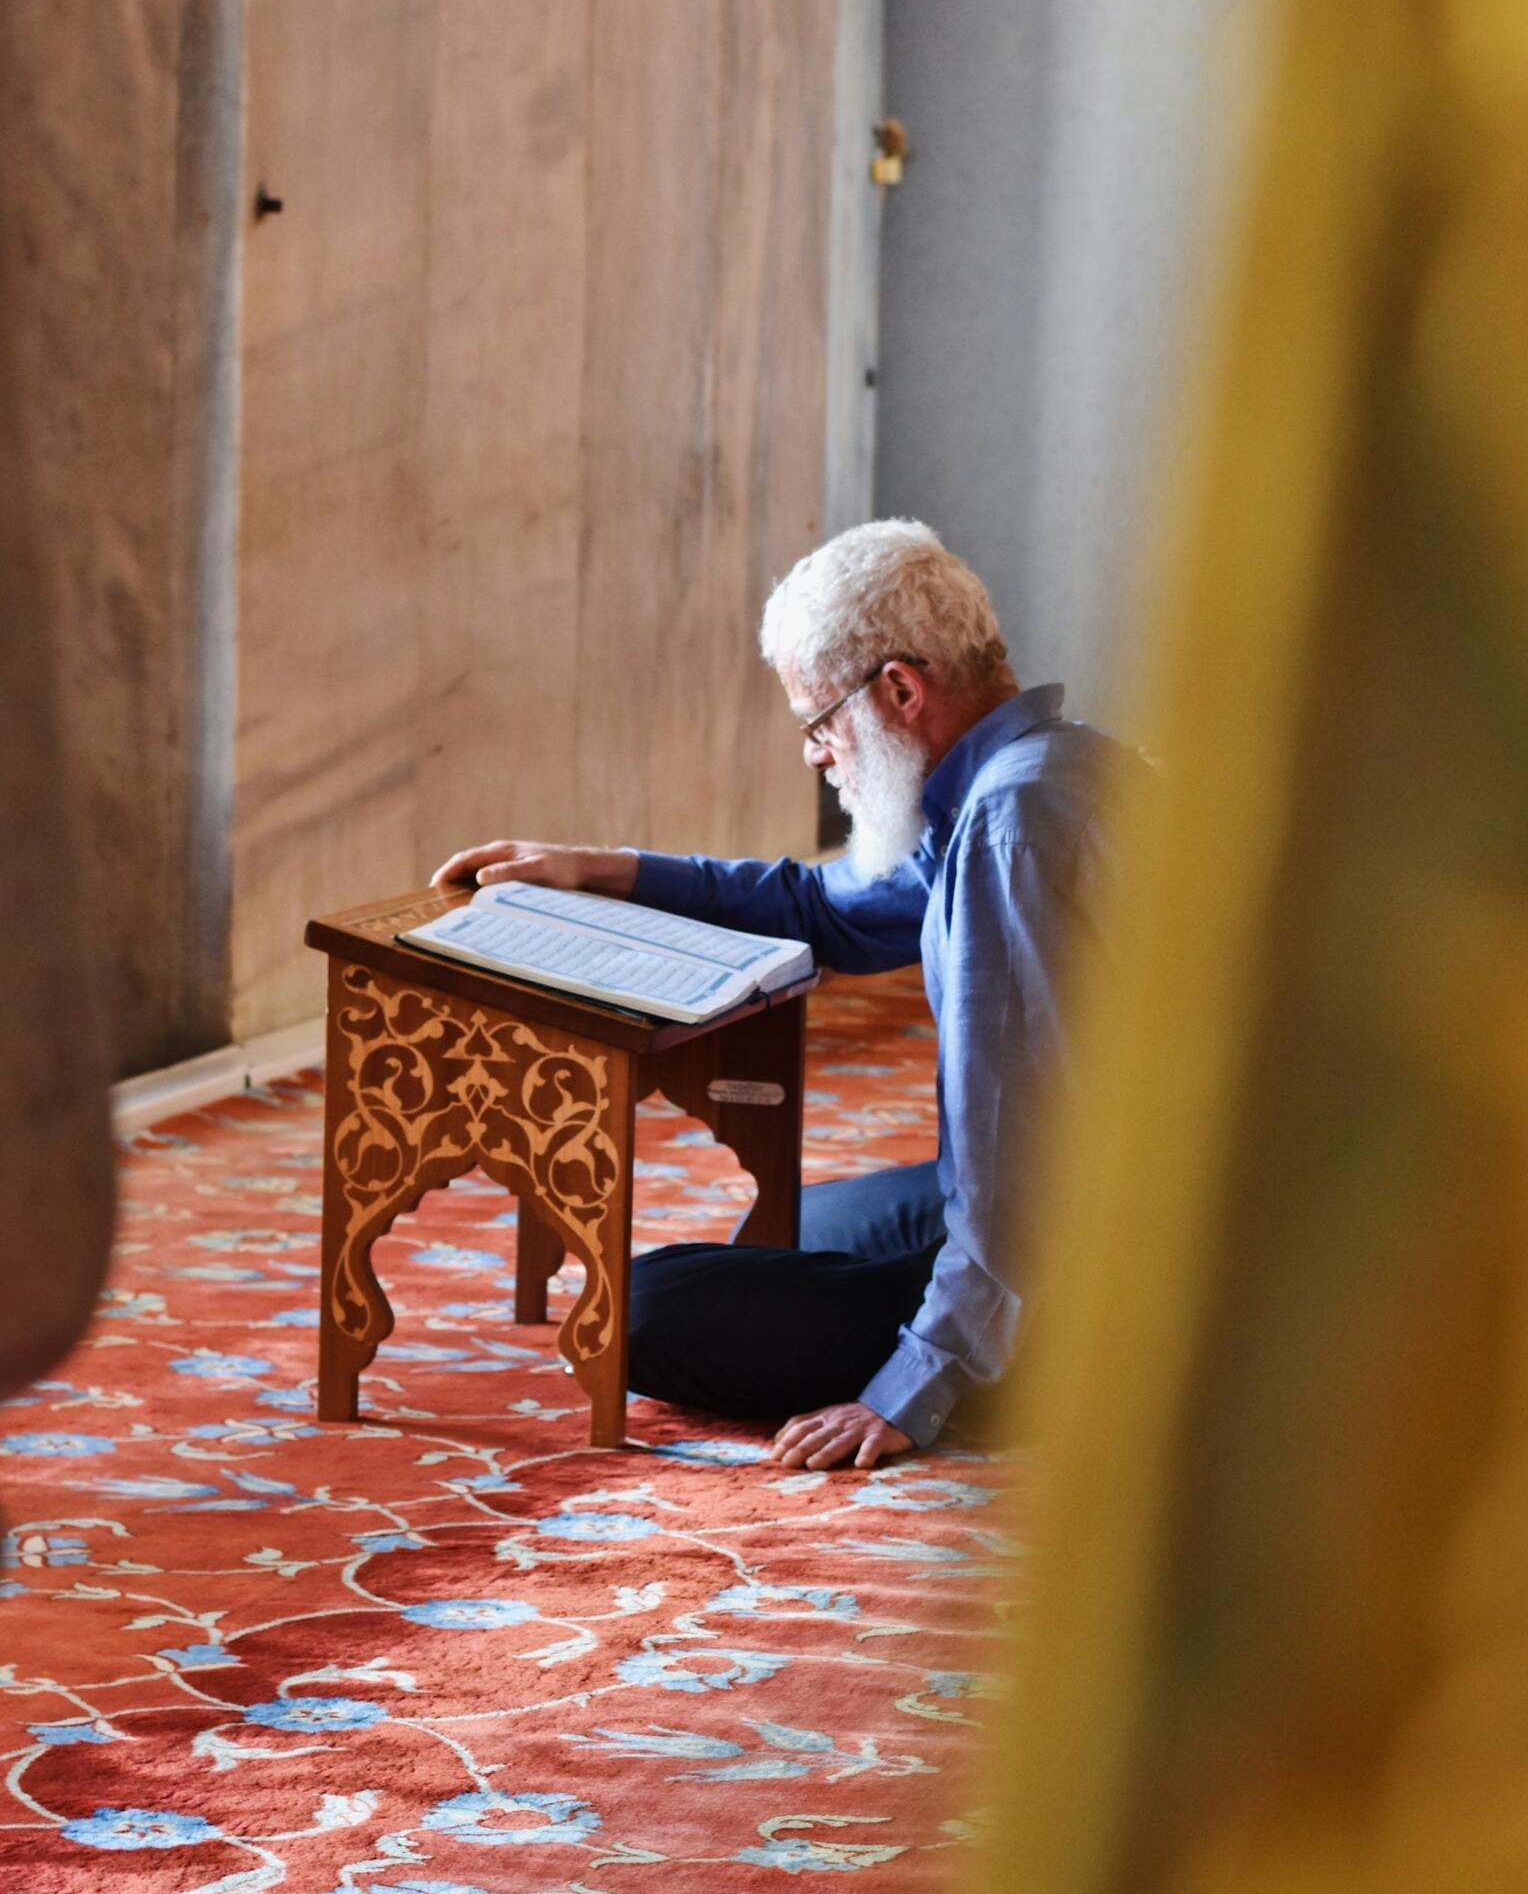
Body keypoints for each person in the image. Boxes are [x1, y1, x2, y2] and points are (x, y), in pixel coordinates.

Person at [432, 519, 1123, 1470]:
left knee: (641, 1314)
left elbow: (1020, 1142)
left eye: (818, 722)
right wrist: (604, 871)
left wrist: (917, 1386)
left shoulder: (1011, 827)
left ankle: (1073, 1380)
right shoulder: (1042, 773)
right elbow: (824, 909)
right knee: (805, 1226)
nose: (816, 755)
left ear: (900, 689)